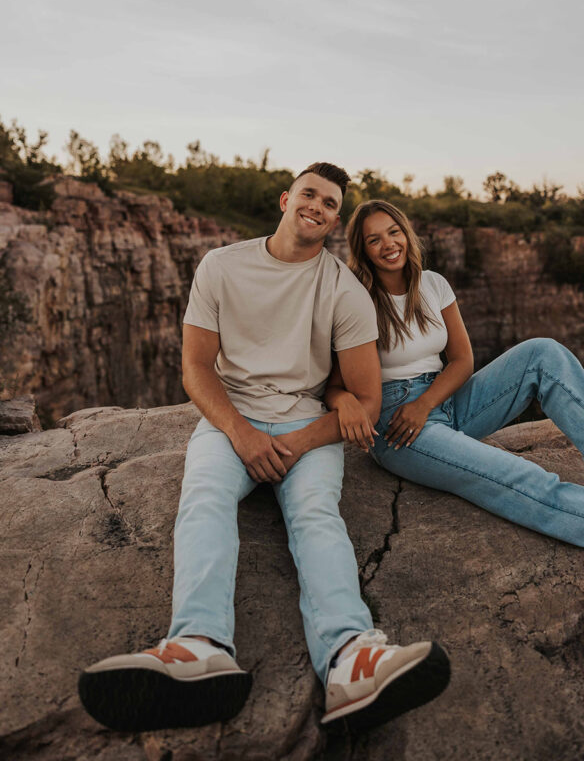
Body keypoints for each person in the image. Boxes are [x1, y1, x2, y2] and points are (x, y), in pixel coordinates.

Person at [78, 166, 449, 736]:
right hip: (232, 420)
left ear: (333, 219)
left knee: (317, 516)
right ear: (286, 199)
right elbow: (197, 369)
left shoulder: (344, 288)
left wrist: (294, 441)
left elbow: (368, 400)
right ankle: (198, 647)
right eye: (310, 194)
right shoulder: (221, 266)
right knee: (203, 498)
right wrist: (243, 435)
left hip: (307, 424)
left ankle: (352, 658)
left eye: (330, 203)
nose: (319, 207)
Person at [325, 200, 584, 570]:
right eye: (374, 239)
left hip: (444, 400)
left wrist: (427, 403)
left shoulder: (432, 284)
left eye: (393, 232)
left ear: (406, 233)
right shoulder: (359, 300)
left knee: (544, 353)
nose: (388, 244)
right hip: (398, 426)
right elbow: (334, 384)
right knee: (520, 477)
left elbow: (462, 360)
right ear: (362, 250)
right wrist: (346, 403)